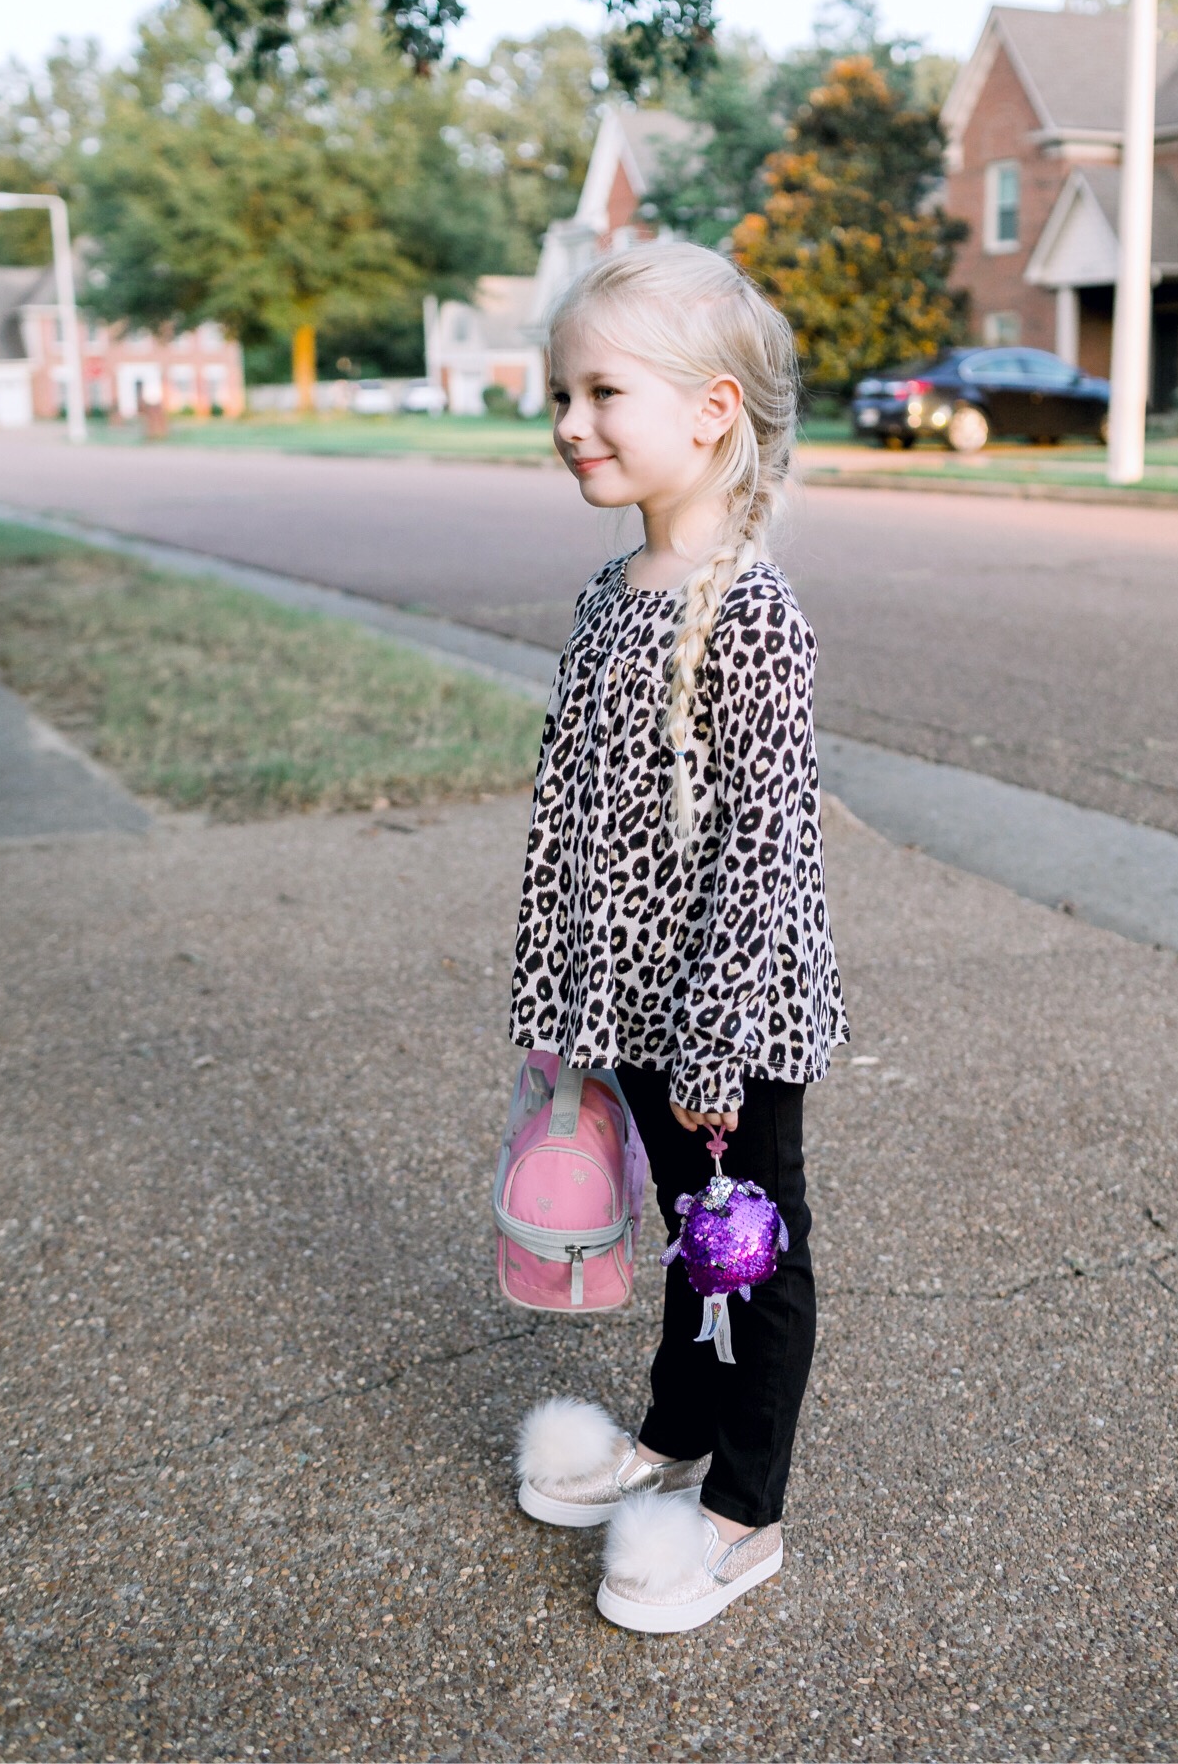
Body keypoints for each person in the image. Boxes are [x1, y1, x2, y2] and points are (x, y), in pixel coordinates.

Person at [508, 241, 848, 1634]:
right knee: (683, 1239)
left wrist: (712, 1034)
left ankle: (739, 1515)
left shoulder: (755, 617)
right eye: (557, 393)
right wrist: (560, 1003)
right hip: (629, 1009)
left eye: (600, 391)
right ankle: (670, 1433)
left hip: (731, 1019)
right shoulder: (611, 593)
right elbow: (574, 821)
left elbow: (767, 847)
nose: (568, 422)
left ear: (711, 410)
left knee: (749, 1256)